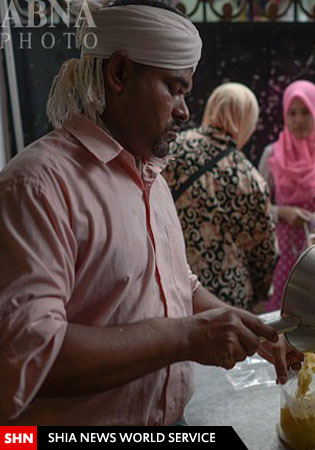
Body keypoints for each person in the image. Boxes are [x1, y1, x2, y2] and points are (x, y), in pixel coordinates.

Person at [0, 2, 298, 426]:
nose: (184, 110)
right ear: (119, 73)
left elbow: (179, 286)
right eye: (173, 88)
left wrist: (252, 332)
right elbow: (29, 354)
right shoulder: (38, 186)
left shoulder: (150, 176)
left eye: (186, 93)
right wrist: (186, 338)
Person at [162, 82, 277, 313]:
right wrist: (262, 294)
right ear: (246, 121)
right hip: (227, 303)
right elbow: (264, 254)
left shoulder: (172, 149)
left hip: (173, 284)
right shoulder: (250, 179)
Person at [258, 80, 315, 311]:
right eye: (292, 113)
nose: (299, 120)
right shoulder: (272, 154)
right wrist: (283, 212)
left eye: (305, 112)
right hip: (282, 257)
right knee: (282, 318)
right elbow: (255, 208)